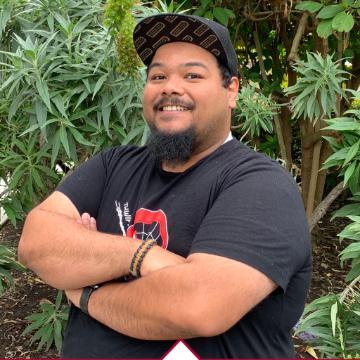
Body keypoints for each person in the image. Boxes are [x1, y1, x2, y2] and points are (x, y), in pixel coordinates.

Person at [18, 13, 311, 358]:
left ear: (231, 90)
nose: (170, 86)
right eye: (158, 75)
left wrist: (86, 292)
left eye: (192, 75)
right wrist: (143, 256)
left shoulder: (259, 185)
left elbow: (197, 305)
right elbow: (36, 243)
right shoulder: (114, 165)